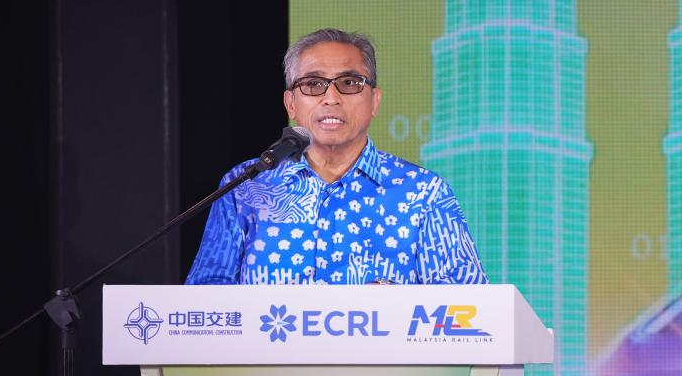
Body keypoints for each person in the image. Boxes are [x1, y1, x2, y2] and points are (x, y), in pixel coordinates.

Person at [185, 29, 488, 285]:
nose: (331, 98)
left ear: (375, 101)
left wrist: (396, 304)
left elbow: (471, 305)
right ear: (291, 104)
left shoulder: (423, 192)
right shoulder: (247, 186)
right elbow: (204, 297)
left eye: (349, 83)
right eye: (313, 84)